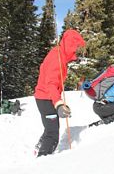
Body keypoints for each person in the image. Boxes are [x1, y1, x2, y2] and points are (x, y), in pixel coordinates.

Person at [34, 29, 86, 157]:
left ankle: (39, 146)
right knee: (52, 134)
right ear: (70, 44)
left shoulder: (60, 55)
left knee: (50, 128)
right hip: (46, 99)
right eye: (76, 46)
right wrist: (58, 103)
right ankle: (42, 159)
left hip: (47, 97)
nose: (76, 50)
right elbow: (51, 83)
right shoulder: (56, 58)